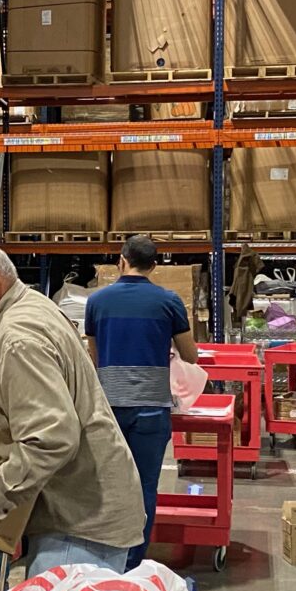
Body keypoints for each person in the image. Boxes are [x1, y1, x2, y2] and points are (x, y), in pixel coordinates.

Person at [0, 237, 145, 577]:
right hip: (83, 513)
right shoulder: (27, 307)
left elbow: (53, 439)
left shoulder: (18, 338)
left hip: (80, 528)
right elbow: (50, 409)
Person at [84, 235, 199, 571]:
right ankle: (133, 563)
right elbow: (190, 355)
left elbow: (95, 357)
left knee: (107, 482)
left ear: (122, 260)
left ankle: (105, 558)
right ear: (155, 265)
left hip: (109, 409)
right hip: (151, 408)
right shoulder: (169, 301)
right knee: (145, 485)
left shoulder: (98, 301)